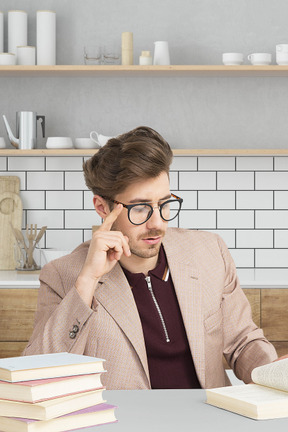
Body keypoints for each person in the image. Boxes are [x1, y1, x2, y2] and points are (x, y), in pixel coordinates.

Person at [24, 126, 278, 389]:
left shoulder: (209, 251)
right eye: (140, 208)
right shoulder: (63, 275)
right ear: (102, 207)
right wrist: (87, 282)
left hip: (210, 419)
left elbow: (242, 342)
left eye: (164, 203)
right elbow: (38, 374)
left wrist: (272, 372)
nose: (157, 223)